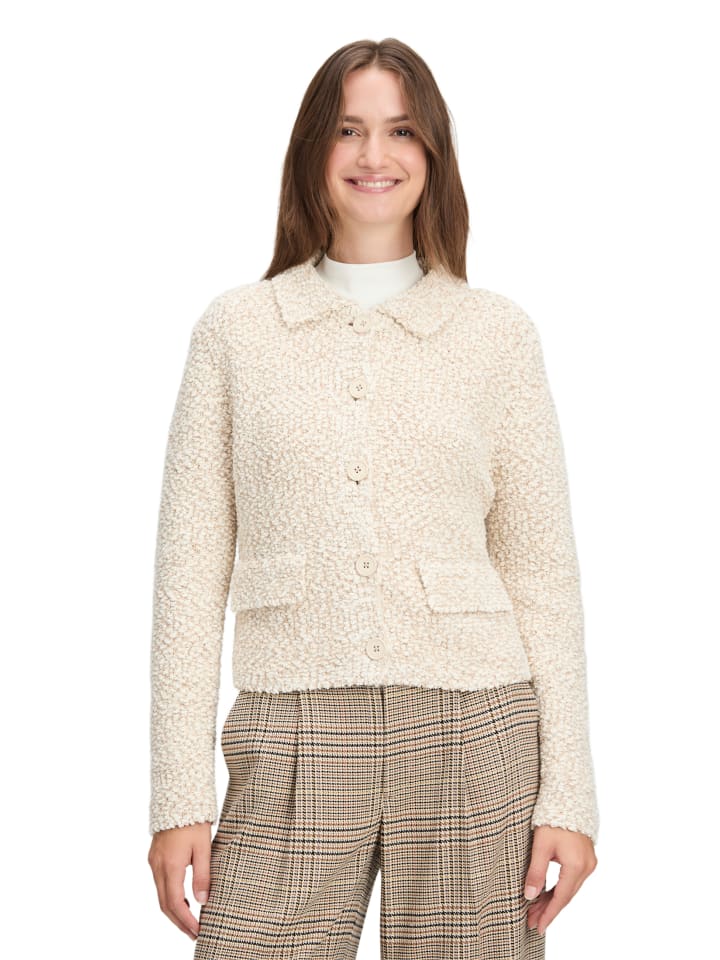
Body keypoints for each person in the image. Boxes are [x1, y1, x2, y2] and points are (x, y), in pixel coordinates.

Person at [147, 37, 599, 959]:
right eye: (348, 129)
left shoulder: (496, 335)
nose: (373, 155)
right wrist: (177, 795)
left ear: (432, 154)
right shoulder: (237, 331)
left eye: (400, 131)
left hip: (475, 725)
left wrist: (571, 794)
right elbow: (188, 575)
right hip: (292, 723)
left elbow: (542, 573)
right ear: (313, 148)